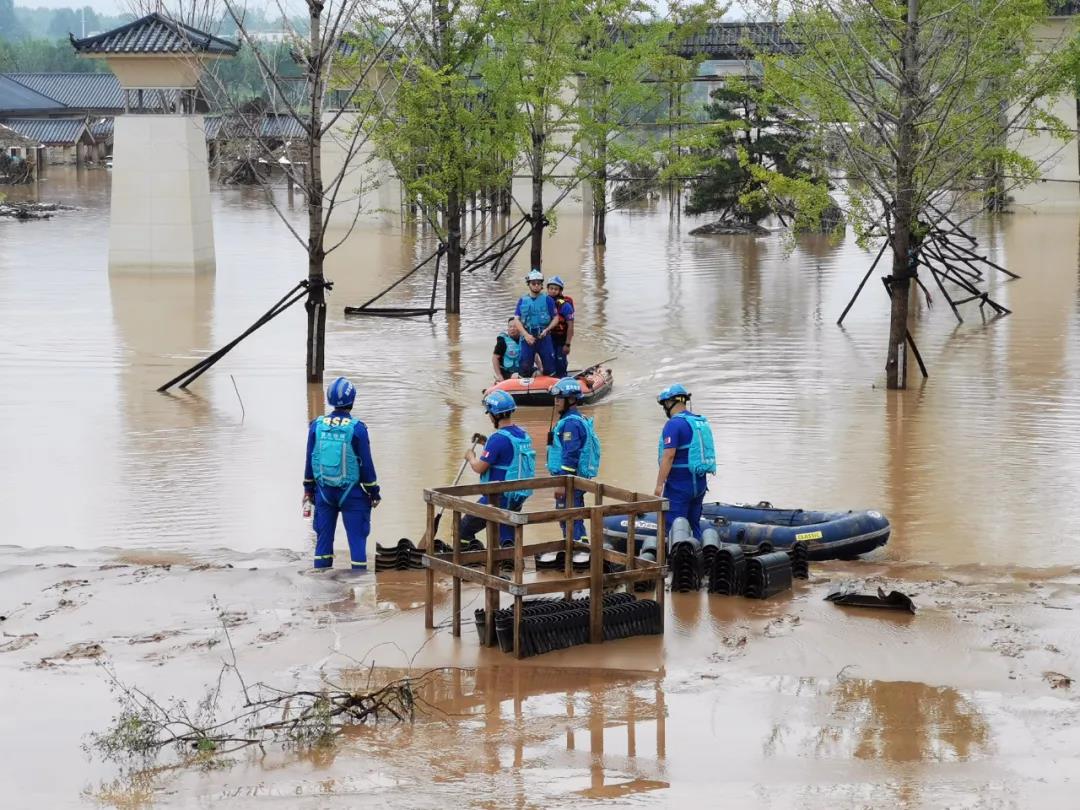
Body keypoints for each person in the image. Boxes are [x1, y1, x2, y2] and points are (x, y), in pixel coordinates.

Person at [303, 376, 381, 570]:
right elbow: (366, 467)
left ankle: (320, 582)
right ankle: (358, 584)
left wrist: (308, 490)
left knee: (322, 544)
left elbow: (309, 460)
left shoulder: (316, 426)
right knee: (357, 543)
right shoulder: (357, 429)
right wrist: (374, 492)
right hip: (352, 494)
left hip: (323, 493)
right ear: (352, 400)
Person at [460, 390, 536, 548]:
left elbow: (479, 468)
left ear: (494, 414)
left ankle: (471, 557)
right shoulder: (522, 434)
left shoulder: (498, 438)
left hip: (497, 497)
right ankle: (509, 559)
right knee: (506, 536)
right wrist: (485, 443)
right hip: (516, 496)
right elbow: (506, 454)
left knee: (463, 529)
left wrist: (471, 457)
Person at [654, 384, 716, 541]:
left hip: (679, 486)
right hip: (699, 484)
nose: (664, 408)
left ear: (670, 402)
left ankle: (675, 556)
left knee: (675, 528)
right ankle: (698, 553)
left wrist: (659, 485)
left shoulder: (673, 424)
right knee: (694, 525)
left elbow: (669, 456)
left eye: (664, 404)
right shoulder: (697, 421)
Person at [546, 377, 601, 542]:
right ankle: (578, 546)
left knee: (570, 517)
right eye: (555, 398)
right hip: (571, 480)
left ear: (571, 400)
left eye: (559, 398)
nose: (556, 401)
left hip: (570, 481)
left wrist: (562, 484)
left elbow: (571, 455)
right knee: (571, 517)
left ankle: (578, 549)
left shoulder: (571, 424)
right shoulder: (574, 420)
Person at [512, 268, 558, 377]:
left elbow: (556, 318)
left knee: (549, 364)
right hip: (527, 337)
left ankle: (550, 381)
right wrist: (526, 335)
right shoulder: (522, 300)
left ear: (541, 285)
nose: (536, 285)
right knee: (524, 365)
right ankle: (524, 381)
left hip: (544, 336)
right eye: (533, 283)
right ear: (529, 284)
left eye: (538, 283)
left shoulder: (548, 300)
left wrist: (547, 329)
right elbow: (516, 319)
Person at [546, 276, 575, 378]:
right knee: (548, 361)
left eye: (556, 289)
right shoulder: (543, 302)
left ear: (560, 291)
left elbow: (570, 326)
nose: (553, 291)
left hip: (561, 339)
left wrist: (567, 344)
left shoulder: (565, 306)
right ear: (547, 289)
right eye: (551, 288)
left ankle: (562, 377)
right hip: (548, 338)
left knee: (560, 362)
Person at [492, 317, 524, 381]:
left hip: (523, 371)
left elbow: (535, 356)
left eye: (515, 326)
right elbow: (495, 358)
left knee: (538, 373)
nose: (512, 329)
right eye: (510, 327)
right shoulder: (502, 342)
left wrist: (541, 368)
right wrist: (499, 375)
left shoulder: (526, 340)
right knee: (516, 376)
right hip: (507, 372)